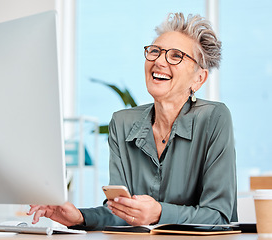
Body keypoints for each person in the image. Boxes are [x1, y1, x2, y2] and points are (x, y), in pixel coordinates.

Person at [28, 12, 237, 230]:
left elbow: (219, 216)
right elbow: (120, 212)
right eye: (155, 52)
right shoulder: (122, 123)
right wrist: (79, 217)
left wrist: (159, 213)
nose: (159, 61)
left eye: (176, 56)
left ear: (199, 78)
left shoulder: (215, 118)